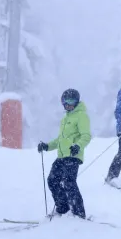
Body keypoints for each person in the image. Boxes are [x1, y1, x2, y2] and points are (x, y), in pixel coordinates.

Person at [37, 89, 92, 219]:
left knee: (68, 182)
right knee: (52, 180)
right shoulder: (65, 118)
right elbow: (60, 140)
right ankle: (63, 209)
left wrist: (77, 146)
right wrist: (47, 146)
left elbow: (86, 135)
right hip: (62, 156)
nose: (68, 104)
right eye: (65, 101)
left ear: (77, 101)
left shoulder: (81, 115)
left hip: (73, 156)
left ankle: (79, 214)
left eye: (71, 101)